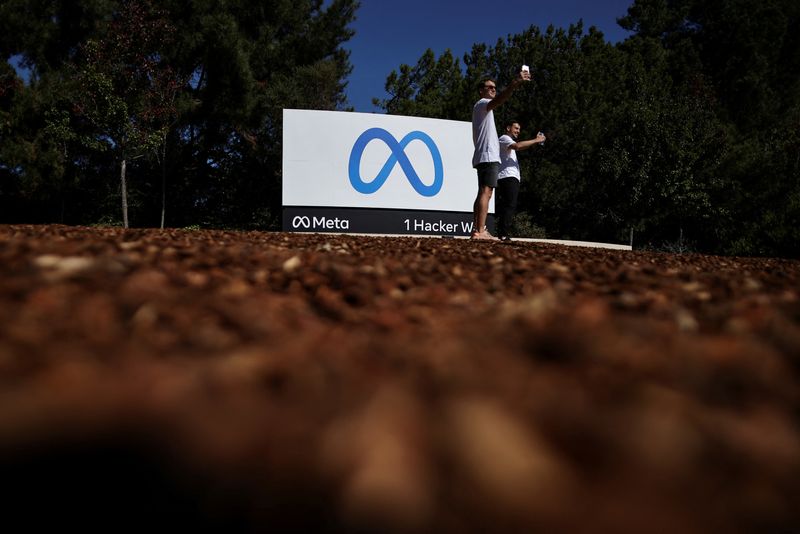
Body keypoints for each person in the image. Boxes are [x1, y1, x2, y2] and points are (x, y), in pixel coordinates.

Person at [470, 71, 530, 240]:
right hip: (487, 156)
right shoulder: (482, 104)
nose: (493, 90)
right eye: (489, 87)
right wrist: (515, 83)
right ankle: (480, 231)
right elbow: (500, 99)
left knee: (484, 191)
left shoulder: (482, 109)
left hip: (485, 156)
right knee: (486, 192)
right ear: (481, 90)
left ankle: (478, 229)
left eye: (495, 88)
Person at [496, 121, 546, 241]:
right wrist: (536, 140)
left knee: (508, 204)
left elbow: (521, 146)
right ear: (508, 128)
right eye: (516, 128)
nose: (518, 131)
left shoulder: (509, 142)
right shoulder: (504, 138)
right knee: (510, 205)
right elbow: (518, 146)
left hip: (509, 177)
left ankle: (502, 232)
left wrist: (535, 141)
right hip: (507, 177)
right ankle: (503, 232)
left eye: (519, 129)